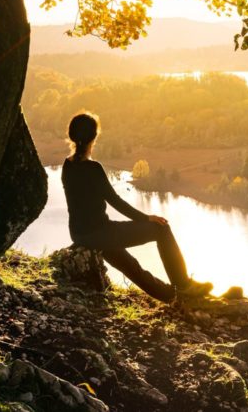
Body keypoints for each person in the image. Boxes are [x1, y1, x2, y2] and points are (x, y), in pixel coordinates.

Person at [62, 111, 213, 302]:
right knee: (162, 230)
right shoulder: (93, 168)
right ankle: (184, 286)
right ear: (94, 137)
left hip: (80, 234)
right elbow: (116, 201)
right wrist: (146, 218)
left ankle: (170, 296)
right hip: (100, 233)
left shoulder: (67, 166)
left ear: (73, 136)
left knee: (131, 266)